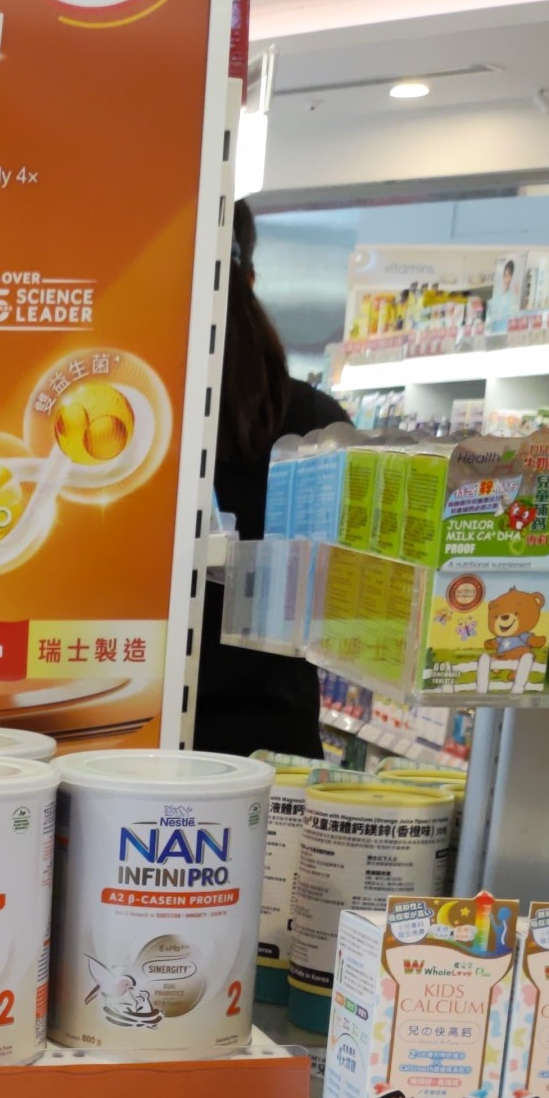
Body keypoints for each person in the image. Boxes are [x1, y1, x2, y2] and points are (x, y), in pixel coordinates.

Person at [192, 198, 349, 761]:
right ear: (251, 279)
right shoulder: (317, 423)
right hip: (274, 745)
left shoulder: (130, 412)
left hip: (134, 732)